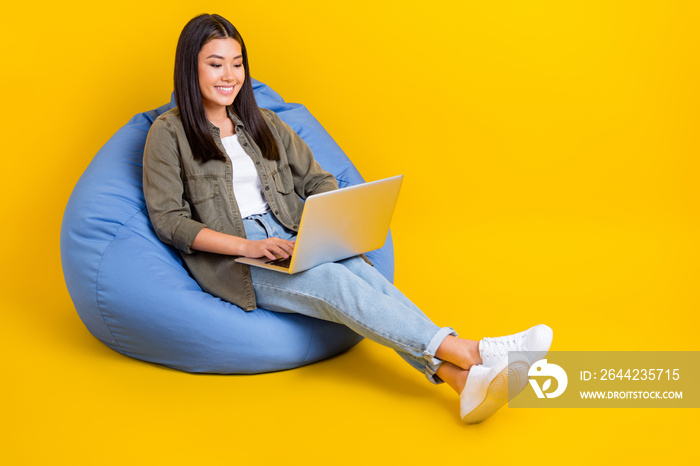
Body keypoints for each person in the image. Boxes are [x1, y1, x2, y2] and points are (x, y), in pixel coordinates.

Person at [142, 13, 553, 424]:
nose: (229, 75)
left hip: (289, 235)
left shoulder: (264, 123)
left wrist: (323, 226)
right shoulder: (169, 133)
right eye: (216, 64)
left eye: (237, 62)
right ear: (190, 67)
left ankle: (463, 383)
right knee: (336, 281)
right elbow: (169, 220)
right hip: (234, 262)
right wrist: (248, 246)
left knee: (359, 270)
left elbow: (318, 180)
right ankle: (473, 351)